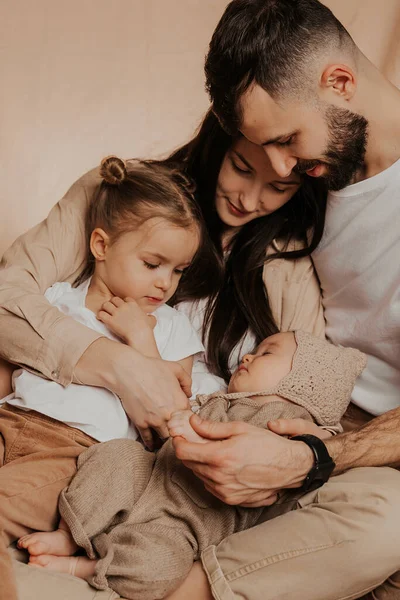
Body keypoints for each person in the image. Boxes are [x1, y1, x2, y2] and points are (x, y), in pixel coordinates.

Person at [165, 1, 400, 598]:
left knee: (388, 525)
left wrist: (310, 458)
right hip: (291, 408)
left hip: (368, 446)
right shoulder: (310, 177)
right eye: (258, 149)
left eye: (287, 141)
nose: (277, 170)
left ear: (340, 83)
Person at [16, 331, 366, 600]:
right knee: (115, 456)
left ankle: (85, 566)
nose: (247, 355)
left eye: (267, 353)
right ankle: (67, 532)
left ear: (304, 382)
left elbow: (289, 475)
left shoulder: (288, 425)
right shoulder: (219, 398)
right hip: (150, 474)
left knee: (160, 567)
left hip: (186, 525)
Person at [0, 154, 210, 600]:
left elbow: (172, 414)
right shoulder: (56, 299)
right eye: (153, 263)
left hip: (70, 454)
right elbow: (17, 351)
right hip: (13, 419)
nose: (165, 284)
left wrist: (141, 338)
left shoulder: (171, 327)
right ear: (100, 245)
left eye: (178, 271)